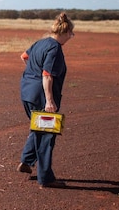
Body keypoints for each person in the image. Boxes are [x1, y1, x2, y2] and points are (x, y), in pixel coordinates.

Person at [16, 12, 75, 188]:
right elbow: (47, 75)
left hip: (27, 91)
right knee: (47, 135)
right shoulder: (55, 48)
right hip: (41, 95)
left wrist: (32, 74)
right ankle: (46, 178)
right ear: (65, 32)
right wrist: (49, 100)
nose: (71, 38)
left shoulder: (40, 42)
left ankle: (27, 161)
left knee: (38, 128)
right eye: (71, 34)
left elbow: (24, 56)